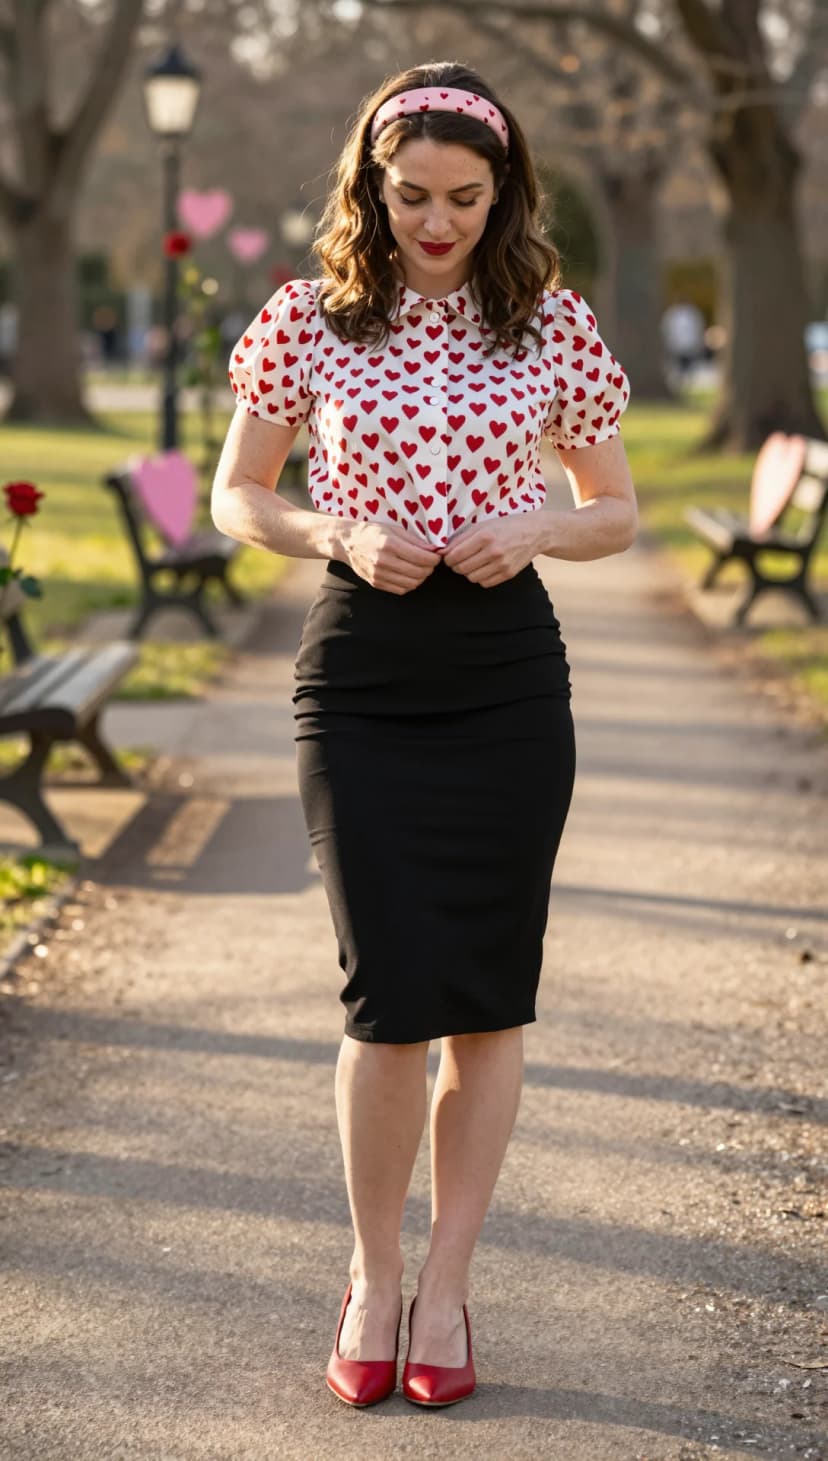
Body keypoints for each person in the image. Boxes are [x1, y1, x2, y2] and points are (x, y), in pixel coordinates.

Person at [212, 59, 636, 1410]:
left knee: (488, 1001)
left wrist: (540, 524)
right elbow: (238, 493)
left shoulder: (551, 326)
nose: (438, 221)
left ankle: (448, 1282)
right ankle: (369, 1269)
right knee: (389, 1000)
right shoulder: (311, 319)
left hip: (508, 679)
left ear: (504, 192)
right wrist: (334, 525)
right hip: (362, 678)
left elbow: (616, 508)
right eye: (412, 196)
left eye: (464, 196)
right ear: (371, 186)